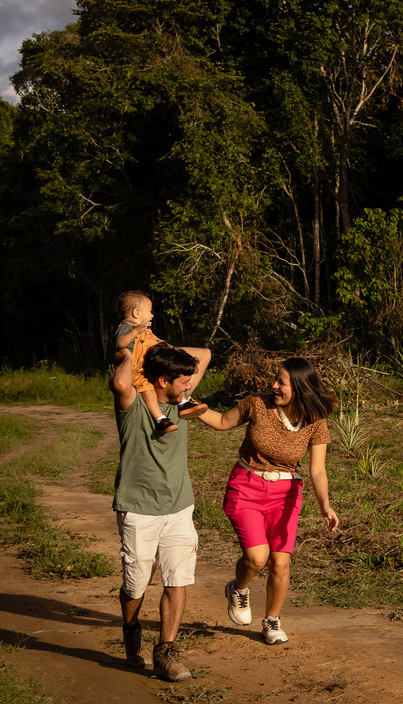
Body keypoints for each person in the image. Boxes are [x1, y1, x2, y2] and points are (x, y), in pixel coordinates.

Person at [197, 357, 339, 645]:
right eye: (275, 379)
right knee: (257, 558)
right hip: (246, 486)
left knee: (281, 562)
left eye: (281, 382)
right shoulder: (257, 404)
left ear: (299, 387)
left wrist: (325, 504)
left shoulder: (315, 419)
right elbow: (222, 422)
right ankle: (238, 588)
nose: (273, 385)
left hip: (285, 494)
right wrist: (191, 406)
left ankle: (272, 621)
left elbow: (317, 469)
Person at [110, 341, 211, 681]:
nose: (189, 386)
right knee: (136, 584)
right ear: (162, 381)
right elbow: (120, 381)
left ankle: (166, 650)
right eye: (183, 381)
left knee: (176, 579)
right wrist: (131, 350)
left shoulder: (184, 403)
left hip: (179, 506)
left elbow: (205, 354)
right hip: (138, 509)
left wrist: (153, 343)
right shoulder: (134, 402)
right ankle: (131, 628)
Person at [114, 290, 211, 435]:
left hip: (153, 364)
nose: (152, 315)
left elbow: (157, 342)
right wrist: (135, 332)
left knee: (177, 373)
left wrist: (172, 350)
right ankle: (161, 420)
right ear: (136, 313)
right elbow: (120, 343)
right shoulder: (127, 328)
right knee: (148, 392)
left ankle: (184, 403)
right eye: (149, 311)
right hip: (138, 371)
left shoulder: (145, 330)